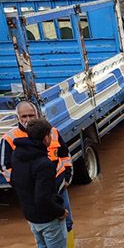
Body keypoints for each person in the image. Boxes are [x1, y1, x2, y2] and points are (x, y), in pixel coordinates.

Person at [1, 102, 74, 235]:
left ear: (38, 115)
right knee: (44, 227)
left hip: (59, 186)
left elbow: (65, 155)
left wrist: (67, 177)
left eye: (31, 115)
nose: (28, 120)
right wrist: (22, 185)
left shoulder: (52, 132)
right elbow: (5, 167)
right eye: (24, 116)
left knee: (67, 223)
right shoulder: (10, 138)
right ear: (18, 118)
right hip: (35, 192)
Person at [11, 118, 68, 248]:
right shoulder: (44, 164)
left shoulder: (17, 155)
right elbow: (43, 198)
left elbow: (16, 182)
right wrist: (60, 211)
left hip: (31, 217)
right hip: (49, 219)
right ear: (45, 138)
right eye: (50, 134)